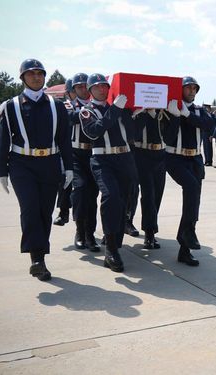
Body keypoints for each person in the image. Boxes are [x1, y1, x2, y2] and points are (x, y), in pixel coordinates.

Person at [0, 58, 73, 281]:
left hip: (49, 163)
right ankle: (36, 260)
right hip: (21, 165)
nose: (37, 77)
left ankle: (40, 258)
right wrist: (2, 170)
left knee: (44, 213)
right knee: (30, 209)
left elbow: (64, 140)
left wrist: (68, 167)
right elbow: (3, 141)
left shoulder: (56, 105)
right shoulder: (11, 106)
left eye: (40, 74)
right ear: (23, 78)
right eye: (31, 74)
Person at [80, 73, 137, 272]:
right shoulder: (87, 111)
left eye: (105, 86)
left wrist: (135, 112)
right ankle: (111, 250)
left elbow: (132, 133)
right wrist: (115, 110)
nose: (102, 89)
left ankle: (115, 243)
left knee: (123, 201)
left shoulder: (119, 107)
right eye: (97, 87)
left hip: (125, 158)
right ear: (90, 90)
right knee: (110, 196)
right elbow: (95, 130)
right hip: (102, 158)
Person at [161, 76, 211, 266]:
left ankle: (185, 247)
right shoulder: (170, 109)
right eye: (188, 88)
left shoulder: (199, 111)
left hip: (195, 159)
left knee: (194, 199)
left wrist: (187, 115)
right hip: (175, 157)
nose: (191, 91)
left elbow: (208, 125)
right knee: (191, 187)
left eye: (194, 88)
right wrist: (175, 115)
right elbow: (168, 136)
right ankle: (188, 233)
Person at [68, 72, 101, 252]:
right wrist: (83, 111)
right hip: (76, 154)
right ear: (74, 89)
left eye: (84, 86)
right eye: (78, 87)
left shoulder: (95, 105)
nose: (82, 89)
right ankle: (79, 231)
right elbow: (70, 118)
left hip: (93, 153)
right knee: (80, 190)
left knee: (92, 196)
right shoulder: (69, 105)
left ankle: (90, 234)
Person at [131, 107, 166, 249]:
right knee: (148, 194)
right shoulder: (138, 112)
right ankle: (148, 231)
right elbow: (133, 132)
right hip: (141, 153)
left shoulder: (164, 112)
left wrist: (156, 114)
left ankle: (150, 229)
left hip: (161, 154)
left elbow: (169, 131)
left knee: (157, 194)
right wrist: (144, 113)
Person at [53, 78, 76, 226]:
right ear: (68, 93)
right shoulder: (65, 106)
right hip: (68, 148)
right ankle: (64, 211)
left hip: (87, 149)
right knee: (65, 181)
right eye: (74, 90)